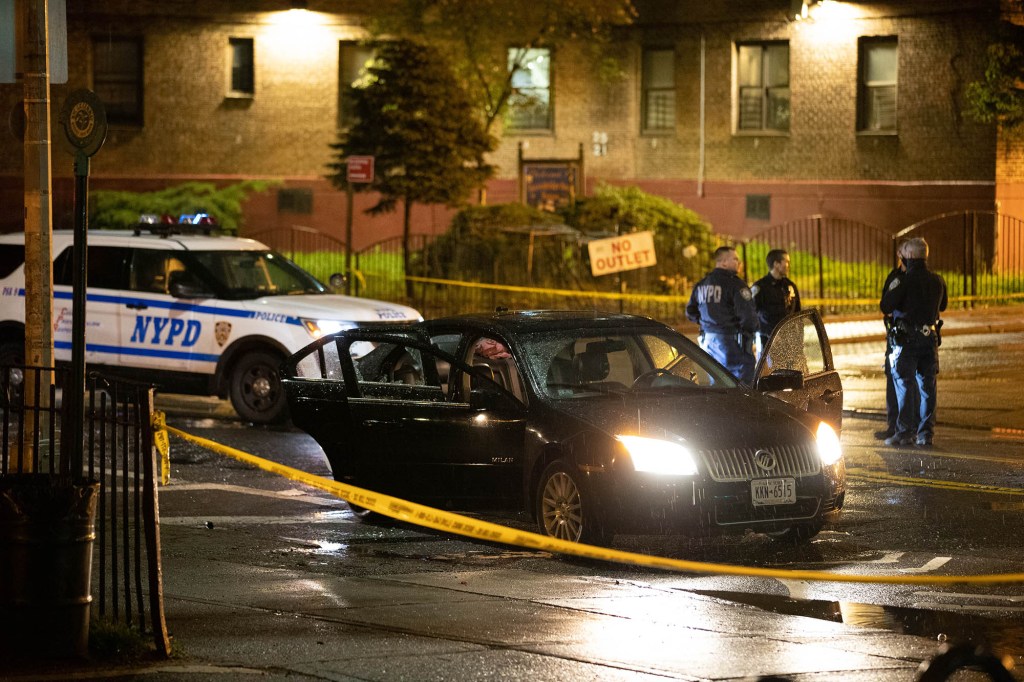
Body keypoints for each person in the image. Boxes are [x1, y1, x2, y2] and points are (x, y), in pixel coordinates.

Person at [879, 237, 947, 448]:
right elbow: (942, 305)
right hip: (929, 339)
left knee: (905, 385)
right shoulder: (938, 280)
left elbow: (886, 305)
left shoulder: (904, 280)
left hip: (906, 339)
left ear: (909, 256)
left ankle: (905, 432)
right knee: (928, 387)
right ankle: (925, 434)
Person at [686, 245, 758, 384]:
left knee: (718, 382)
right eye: (735, 259)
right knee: (740, 383)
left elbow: (690, 312)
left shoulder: (702, 284)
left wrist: (708, 323)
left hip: (707, 340)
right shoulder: (735, 284)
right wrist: (748, 334)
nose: (738, 262)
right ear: (724, 262)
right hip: (730, 341)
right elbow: (749, 318)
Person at [875, 242, 911, 440]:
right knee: (893, 377)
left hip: (911, 338)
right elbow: (885, 304)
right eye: (905, 252)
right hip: (896, 335)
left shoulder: (917, 278)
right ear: (900, 254)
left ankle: (907, 428)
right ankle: (894, 425)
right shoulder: (895, 277)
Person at [751, 248, 801, 355]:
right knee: (768, 371)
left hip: (790, 342)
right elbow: (752, 314)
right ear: (776, 264)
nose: (788, 265)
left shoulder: (790, 286)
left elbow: (798, 314)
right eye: (786, 262)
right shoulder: (760, 287)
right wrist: (770, 333)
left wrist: (798, 339)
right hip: (767, 342)